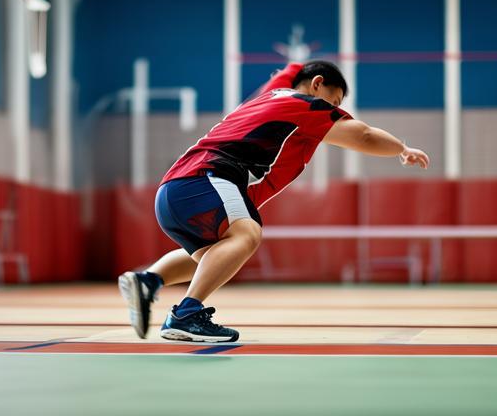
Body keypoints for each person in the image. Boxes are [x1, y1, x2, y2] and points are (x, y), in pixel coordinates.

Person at [118, 60, 430, 343]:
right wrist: (402, 148)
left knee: (212, 256)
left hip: (175, 189)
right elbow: (361, 135)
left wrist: (295, 65)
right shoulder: (304, 106)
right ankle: (187, 314)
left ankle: (148, 281)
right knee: (247, 234)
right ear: (317, 84)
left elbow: (289, 72)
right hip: (208, 179)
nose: (332, 112)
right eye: (333, 102)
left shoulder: (270, 98)